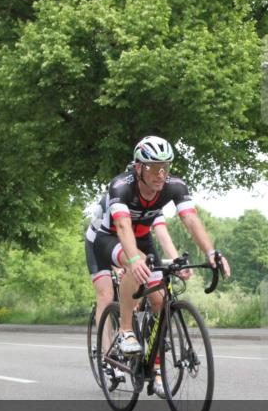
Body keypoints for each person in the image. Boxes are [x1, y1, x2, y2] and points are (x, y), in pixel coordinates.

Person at [85, 136, 230, 396]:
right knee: (128, 271)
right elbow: (122, 227)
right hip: (107, 237)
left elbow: (190, 219)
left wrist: (211, 252)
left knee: (160, 300)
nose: (160, 174)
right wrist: (132, 259)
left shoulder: (174, 186)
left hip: (141, 238)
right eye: (153, 167)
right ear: (139, 168)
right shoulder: (121, 186)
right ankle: (125, 331)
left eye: (165, 167)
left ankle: (157, 368)